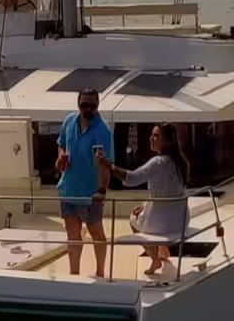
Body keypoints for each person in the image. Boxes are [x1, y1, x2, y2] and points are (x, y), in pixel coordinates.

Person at [99, 123, 190, 278]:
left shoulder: (158, 162)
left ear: (167, 141)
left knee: (132, 219)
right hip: (181, 221)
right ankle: (163, 249)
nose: (151, 138)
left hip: (162, 223)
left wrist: (109, 166)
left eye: (156, 136)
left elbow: (132, 178)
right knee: (143, 212)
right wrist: (146, 209)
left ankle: (155, 259)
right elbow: (166, 194)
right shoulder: (181, 162)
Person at [55, 89, 114, 277]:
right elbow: (62, 143)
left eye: (93, 106)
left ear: (98, 106)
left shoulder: (102, 131)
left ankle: (100, 273)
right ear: (78, 104)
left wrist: (102, 190)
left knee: (96, 233)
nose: (88, 109)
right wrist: (61, 157)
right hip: (68, 190)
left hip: (90, 193)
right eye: (84, 105)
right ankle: (74, 275)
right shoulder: (68, 121)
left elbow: (106, 165)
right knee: (73, 236)